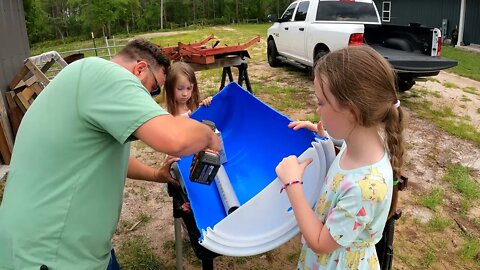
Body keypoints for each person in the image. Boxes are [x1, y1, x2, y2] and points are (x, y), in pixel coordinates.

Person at [0, 39, 220, 270]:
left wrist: (156, 174)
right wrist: (210, 136)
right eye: (154, 88)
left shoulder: (85, 82)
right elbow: (174, 139)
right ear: (140, 69)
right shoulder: (104, 74)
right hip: (52, 256)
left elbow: (109, 159)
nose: (152, 97)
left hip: (70, 249)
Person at [275, 46, 405, 270]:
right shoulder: (362, 144)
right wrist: (324, 136)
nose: (317, 110)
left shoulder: (366, 188)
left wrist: (292, 184)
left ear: (352, 112)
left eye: (321, 102)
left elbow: (319, 242)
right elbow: (345, 148)